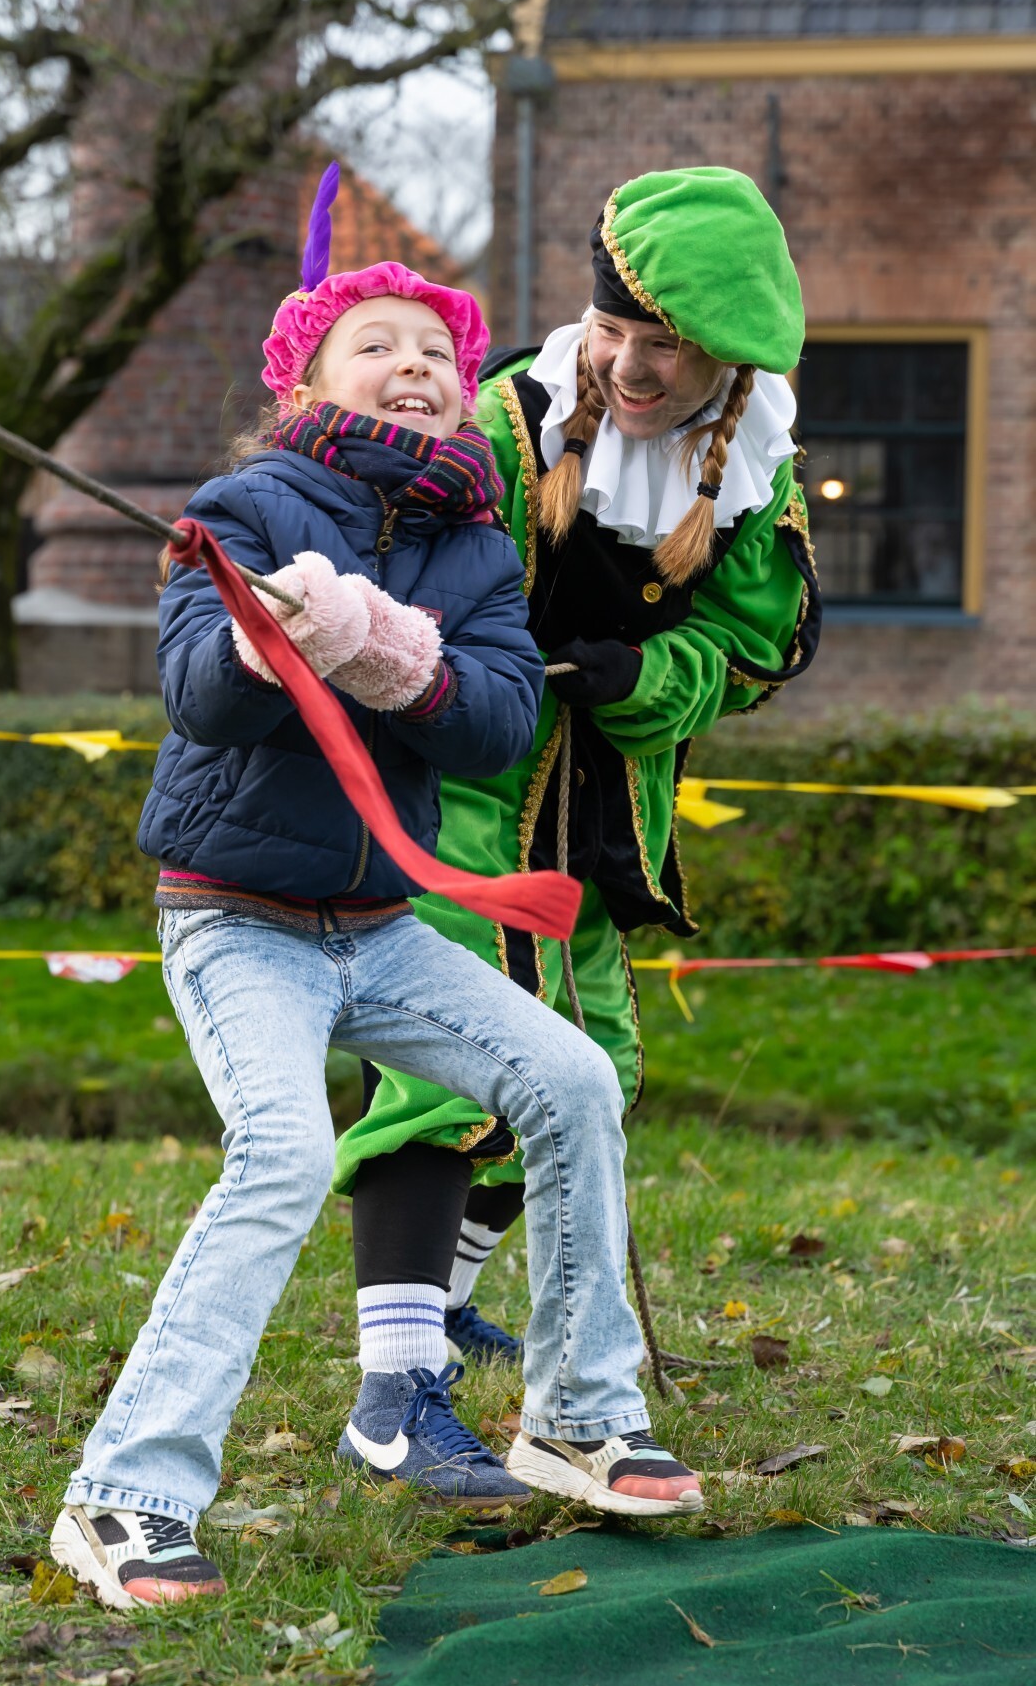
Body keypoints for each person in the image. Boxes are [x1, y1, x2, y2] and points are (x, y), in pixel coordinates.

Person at [49, 177, 703, 1610]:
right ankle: (123, 1500)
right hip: (239, 922)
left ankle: (584, 1418)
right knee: (281, 1154)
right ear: (304, 380)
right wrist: (267, 632)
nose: (414, 366)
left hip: (386, 931)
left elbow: (488, 721)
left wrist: (376, 644)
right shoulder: (245, 504)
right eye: (377, 345)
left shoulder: (475, 543)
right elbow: (200, 698)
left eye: (437, 354)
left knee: (574, 1079)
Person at [335, 166, 821, 1502]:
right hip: (451, 793)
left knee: (591, 1066)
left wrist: (641, 682)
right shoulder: (503, 423)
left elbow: (745, 655)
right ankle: (395, 1393)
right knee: (452, 1066)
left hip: (601, 815)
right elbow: (372, 543)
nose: (638, 367)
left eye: (670, 348)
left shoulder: (756, 485)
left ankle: (447, 1304)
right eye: (619, 334)